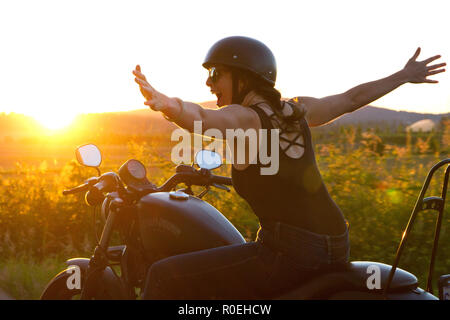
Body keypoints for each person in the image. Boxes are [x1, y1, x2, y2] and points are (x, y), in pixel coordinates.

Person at [132, 36, 446, 299]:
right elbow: (352, 98)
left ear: (244, 76)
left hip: (291, 252)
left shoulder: (246, 117)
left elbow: (203, 118)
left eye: (216, 73)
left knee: (163, 275)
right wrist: (402, 76)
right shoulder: (295, 109)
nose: (209, 82)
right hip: (335, 244)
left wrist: (169, 105)